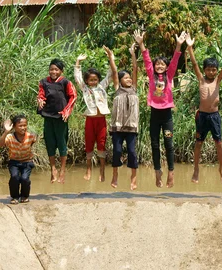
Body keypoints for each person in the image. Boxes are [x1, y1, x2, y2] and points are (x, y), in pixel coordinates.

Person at [134, 29, 187, 188]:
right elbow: (147, 60)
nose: (159, 66)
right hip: (154, 116)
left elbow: (175, 62)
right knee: (155, 144)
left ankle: (171, 172)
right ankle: (158, 172)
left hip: (167, 117)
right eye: (158, 64)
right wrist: (141, 43)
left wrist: (178, 46)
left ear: (165, 67)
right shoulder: (151, 76)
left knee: (169, 143)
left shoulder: (170, 75)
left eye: (162, 64)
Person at [185, 34, 222, 184]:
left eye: (213, 69)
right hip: (202, 116)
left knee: (219, 143)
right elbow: (195, 64)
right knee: (198, 143)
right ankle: (196, 169)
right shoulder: (201, 80)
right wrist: (190, 47)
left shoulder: (217, 80)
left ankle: (221, 169)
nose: (211, 72)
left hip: (214, 116)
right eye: (209, 69)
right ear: (205, 70)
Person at [74, 49, 114, 182]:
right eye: (90, 80)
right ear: (87, 81)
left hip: (101, 119)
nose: (93, 82)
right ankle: (89, 169)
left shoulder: (102, 87)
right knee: (89, 144)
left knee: (102, 144)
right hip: (90, 120)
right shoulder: (85, 89)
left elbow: (110, 74)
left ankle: (102, 170)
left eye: (95, 79)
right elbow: (78, 79)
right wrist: (78, 62)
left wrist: (110, 58)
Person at [37, 58, 77, 184]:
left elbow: (73, 96)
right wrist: (40, 100)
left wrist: (67, 111)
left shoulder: (65, 82)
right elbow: (41, 94)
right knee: (50, 143)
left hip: (61, 117)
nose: (53, 72)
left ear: (61, 71)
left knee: (62, 143)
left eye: (56, 69)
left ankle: (62, 171)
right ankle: (53, 169)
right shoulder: (44, 82)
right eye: (51, 69)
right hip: (48, 116)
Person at [105, 44, 139, 190]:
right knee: (117, 151)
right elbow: (114, 71)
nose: (129, 79)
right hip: (118, 127)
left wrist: (133, 54)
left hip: (131, 127)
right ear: (120, 80)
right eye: (126, 78)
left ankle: (133, 178)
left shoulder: (134, 88)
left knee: (132, 152)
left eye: (129, 77)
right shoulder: (117, 89)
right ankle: (115, 175)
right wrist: (112, 58)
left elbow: (136, 69)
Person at [0, 114, 36, 204]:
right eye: (20, 126)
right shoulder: (10, 137)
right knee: (14, 177)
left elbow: (32, 143)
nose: (23, 128)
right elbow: (0, 145)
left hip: (27, 161)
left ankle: (24, 196)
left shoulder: (31, 136)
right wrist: (6, 132)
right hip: (14, 162)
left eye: (25, 125)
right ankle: (15, 197)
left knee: (24, 178)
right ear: (14, 127)